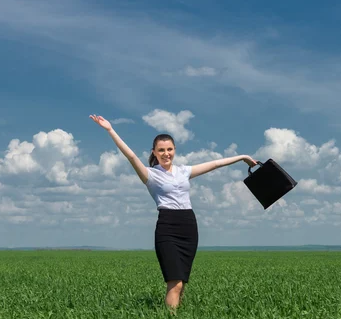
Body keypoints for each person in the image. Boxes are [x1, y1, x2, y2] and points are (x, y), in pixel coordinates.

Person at [89, 114, 258, 309]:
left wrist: (243, 157)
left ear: (174, 150)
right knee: (175, 282)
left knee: (182, 282)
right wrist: (110, 130)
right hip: (167, 227)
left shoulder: (184, 171)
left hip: (188, 225)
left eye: (169, 149)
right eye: (161, 150)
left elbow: (215, 164)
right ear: (154, 152)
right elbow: (131, 156)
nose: (166, 153)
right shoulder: (150, 175)